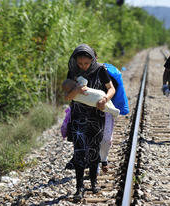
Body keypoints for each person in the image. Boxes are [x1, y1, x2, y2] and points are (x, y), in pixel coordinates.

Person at [64, 44, 116, 201]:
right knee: (79, 152)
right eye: (80, 63)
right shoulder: (73, 71)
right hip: (78, 117)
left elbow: (111, 88)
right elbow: (67, 96)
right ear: (75, 61)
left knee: (94, 150)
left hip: (96, 115)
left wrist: (105, 99)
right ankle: (79, 188)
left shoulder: (100, 70)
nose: (83, 66)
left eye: (86, 63)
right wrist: (77, 91)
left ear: (92, 60)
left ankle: (93, 183)